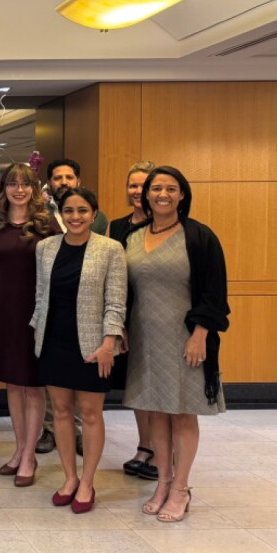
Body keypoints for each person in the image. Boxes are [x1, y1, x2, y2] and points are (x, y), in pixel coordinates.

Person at [123, 166, 229, 523]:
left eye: (171, 188)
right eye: (156, 188)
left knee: (182, 413)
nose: (162, 194)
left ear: (182, 194)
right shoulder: (134, 237)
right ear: (146, 195)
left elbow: (214, 292)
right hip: (144, 339)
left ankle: (181, 488)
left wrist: (200, 334)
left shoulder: (199, 237)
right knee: (156, 412)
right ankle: (163, 482)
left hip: (185, 339)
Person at [31, 188, 127, 514]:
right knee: (59, 412)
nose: (75, 217)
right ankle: (69, 478)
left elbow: (116, 302)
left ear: (94, 213)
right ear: (60, 213)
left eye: (83, 211)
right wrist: (35, 334)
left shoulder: (110, 249)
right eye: (69, 211)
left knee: (89, 414)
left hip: (92, 345)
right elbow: (41, 296)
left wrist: (109, 343)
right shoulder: (45, 248)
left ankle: (87, 482)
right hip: (53, 340)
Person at [0, 163, 60, 488]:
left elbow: (56, 274)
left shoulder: (47, 225)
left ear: (34, 189)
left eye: (25, 184)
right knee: (12, 384)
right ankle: (19, 449)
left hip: (36, 313)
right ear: (3, 189)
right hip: (3, 312)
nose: (18, 189)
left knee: (33, 385)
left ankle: (30, 455)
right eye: (12, 184)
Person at [37, 158, 108, 455]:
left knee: (84, 386)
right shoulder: (40, 215)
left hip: (88, 313)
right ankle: (51, 429)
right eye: (57, 178)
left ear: (78, 180)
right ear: (49, 183)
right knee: (55, 383)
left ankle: (77, 432)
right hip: (54, 311)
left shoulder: (99, 220)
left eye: (69, 177)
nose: (63, 182)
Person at [109, 161, 158, 481]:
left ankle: (163, 450)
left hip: (162, 314)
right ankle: (146, 446)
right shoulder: (118, 226)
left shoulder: (176, 225)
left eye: (145, 186)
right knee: (138, 384)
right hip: (130, 314)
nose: (137, 191)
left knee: (161, 384)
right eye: (133, 185)